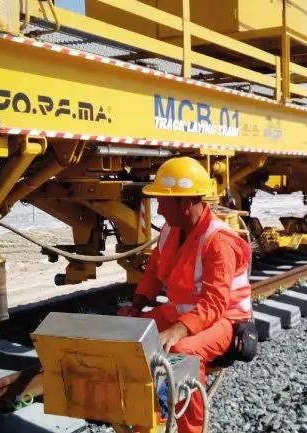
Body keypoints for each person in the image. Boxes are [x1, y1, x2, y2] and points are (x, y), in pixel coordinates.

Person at [119, 157, 252, 433]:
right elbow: (154, 272)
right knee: (128, 332)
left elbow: (215, 302)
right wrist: (137, 306)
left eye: (163, 201)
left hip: (225, 319)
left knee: (183, 352)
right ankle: (146, 422)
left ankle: (192, 430)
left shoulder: (219, 241)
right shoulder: (171, 229)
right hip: (183, 312)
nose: (158, 208)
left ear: (185, 202)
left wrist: (178, 331)